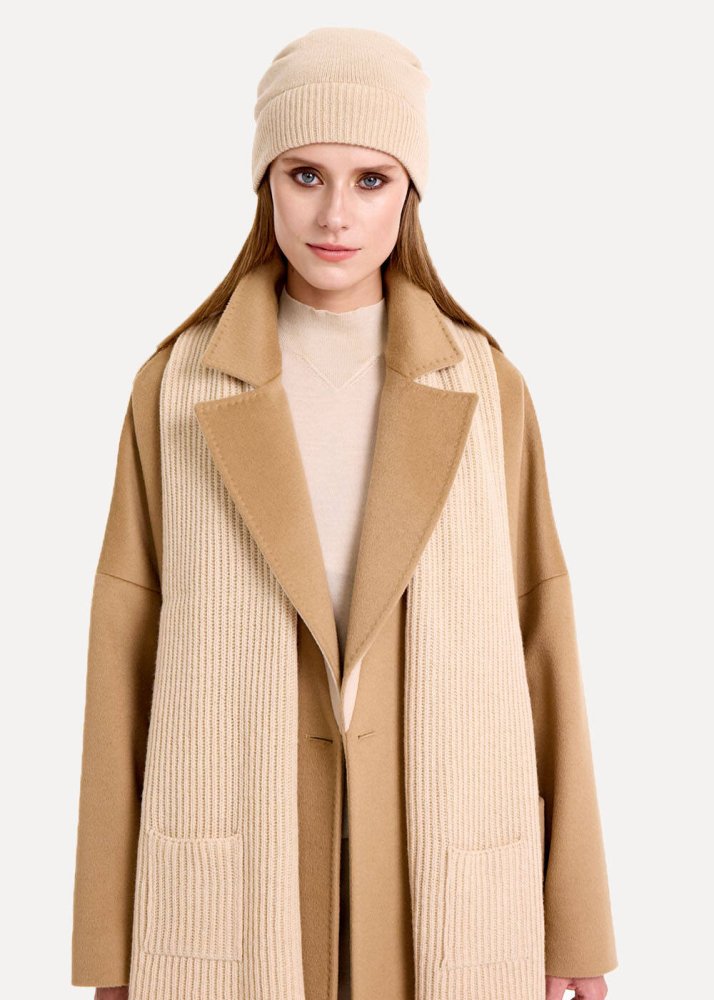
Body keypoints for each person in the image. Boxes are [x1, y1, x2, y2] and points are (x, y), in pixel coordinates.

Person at [71, 26, 618, 1000]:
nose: (335, 213)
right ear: (264, 183)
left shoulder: (487, 386)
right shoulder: (176, 388)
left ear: (410, 191)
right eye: (305, 174)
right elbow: (123, 661)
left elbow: (542, 636)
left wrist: (574, 921)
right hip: (238, 878)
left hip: (442, 873)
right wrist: (109, 950)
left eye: (372, 179)